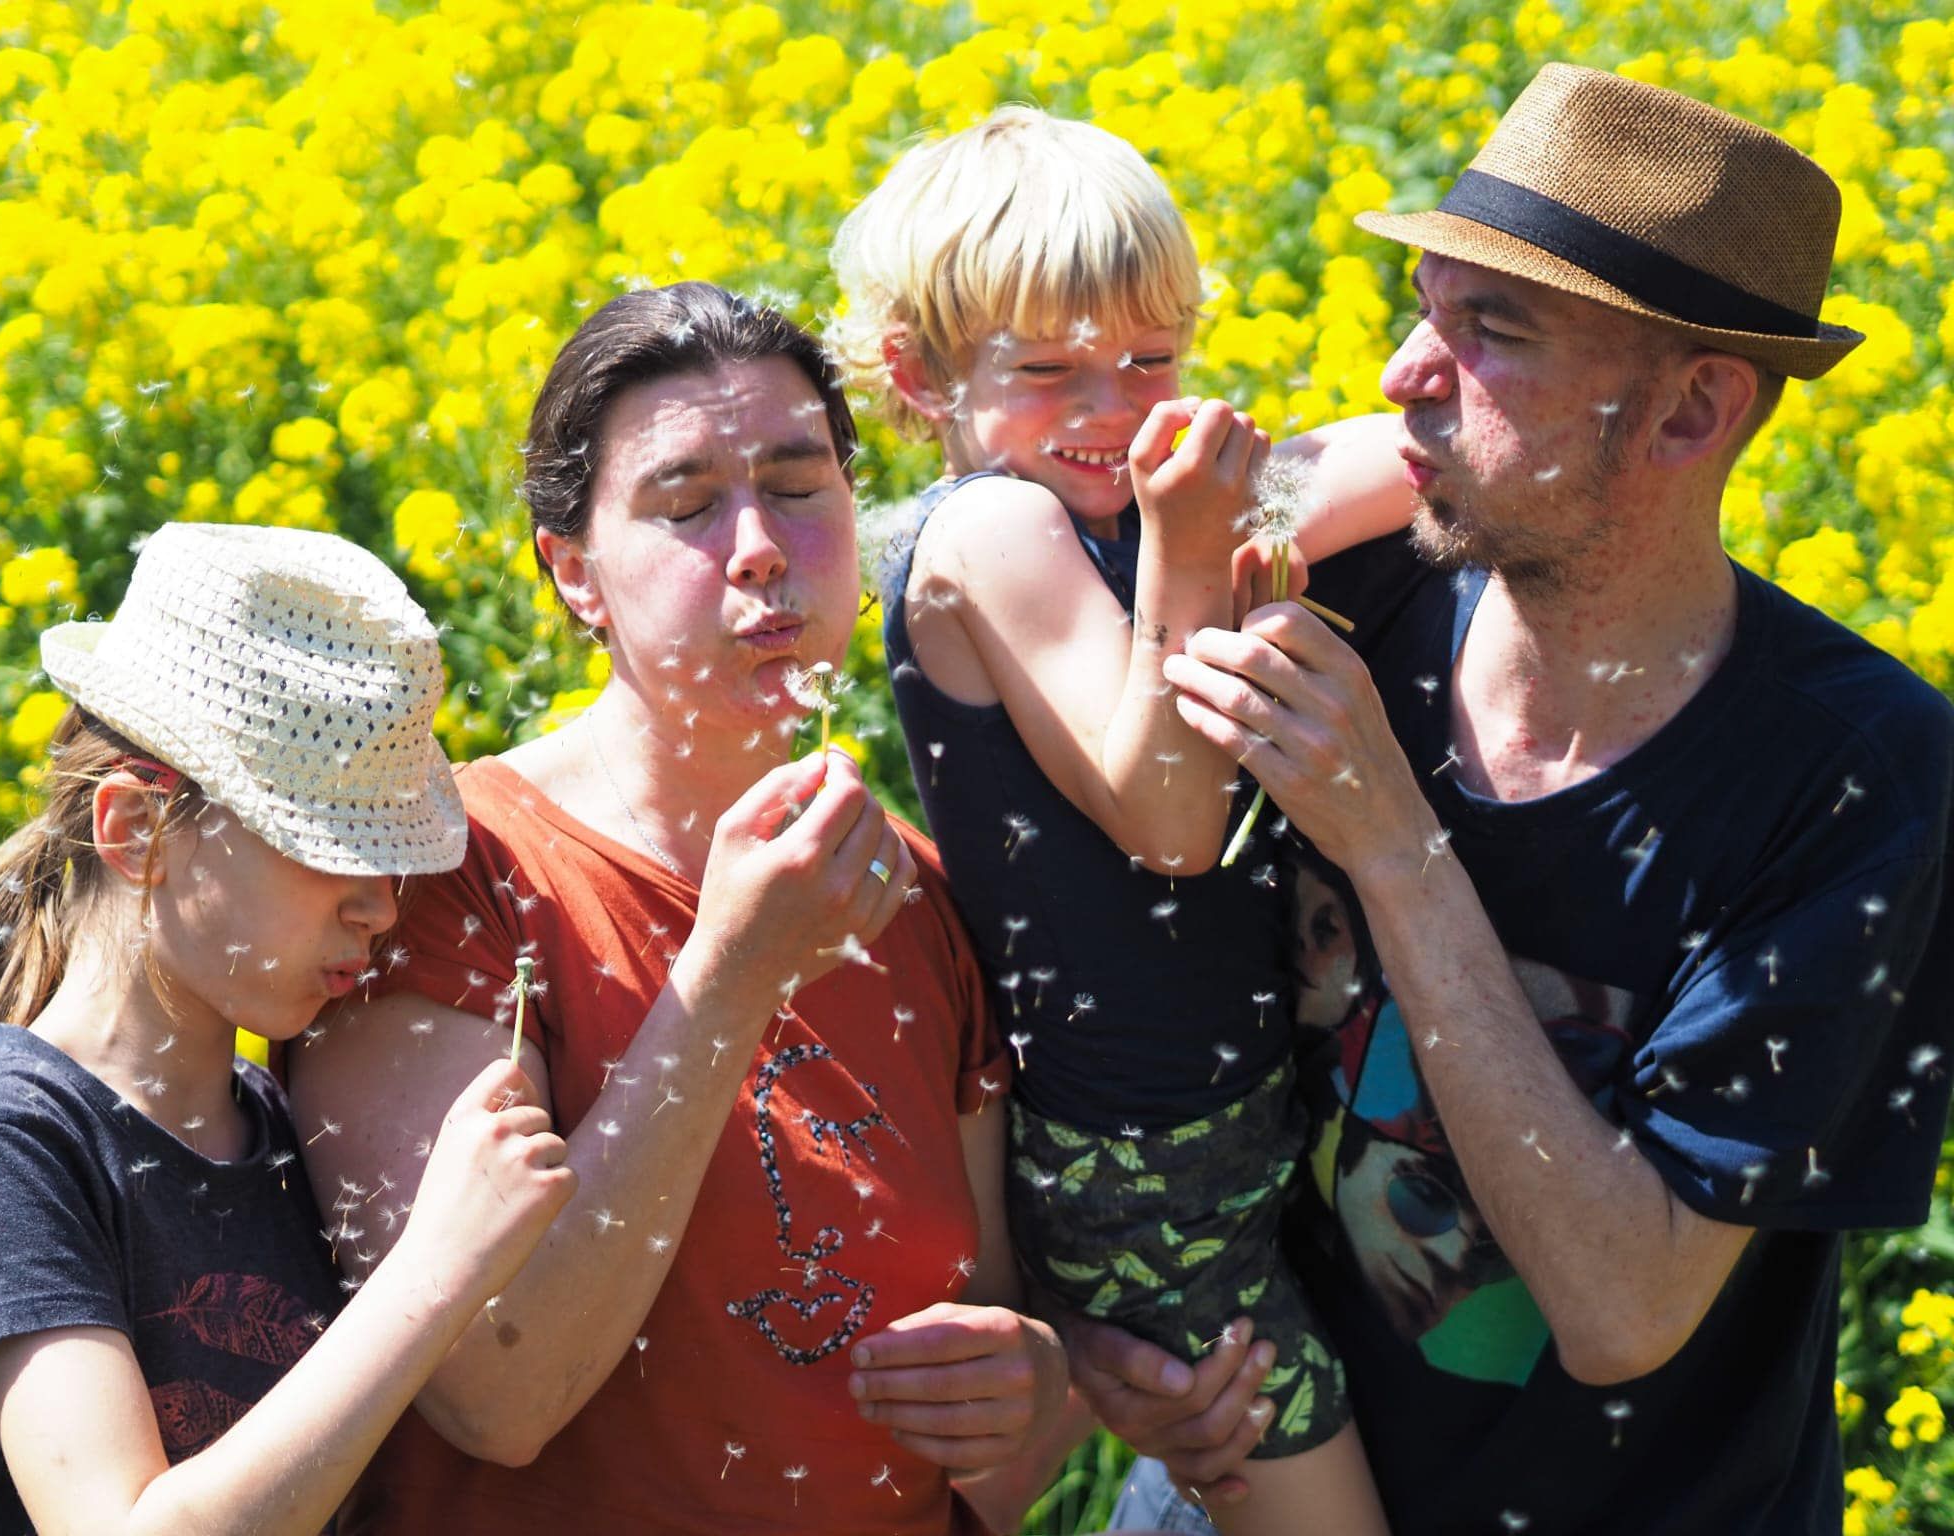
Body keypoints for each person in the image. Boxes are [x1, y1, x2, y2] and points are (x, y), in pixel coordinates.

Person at [1091, 63, 1954, 1533]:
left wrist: (1399, 854)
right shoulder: (1348, 578)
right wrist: (1090, 1335)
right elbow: (1084, 956)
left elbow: (1625, 1308)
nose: (1402, 375)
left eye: (1491, 333)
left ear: (1692, 414)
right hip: (1238, 1490)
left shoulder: (1852, 775)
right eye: (1422, 307)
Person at [289, 281, 1085, 1535]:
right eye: (687, 504)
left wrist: (1036, 1392)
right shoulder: (446, 880)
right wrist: (723, 977)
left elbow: (989, 1350)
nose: (761, 545)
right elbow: (494, 1389)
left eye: (798, 483)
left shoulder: (921, 895)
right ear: (574, 574)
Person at [831, 106, 1415, 1535]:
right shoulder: (991, 531)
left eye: (1152, 360)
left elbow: (1388, 462)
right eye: (1047, 372)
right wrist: (1192, 540)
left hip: (1221, 1118)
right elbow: (1166, 812)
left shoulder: (1125, 495)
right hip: (1134, 1165)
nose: (1110, 408)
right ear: (918, 375)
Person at [0, 522, 576, 1536]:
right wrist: (437, 1264)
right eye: (327, 848)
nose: (382, 909)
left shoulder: (266, 1118)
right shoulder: (6, 1145)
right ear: (137, 831)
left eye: (388, 859)